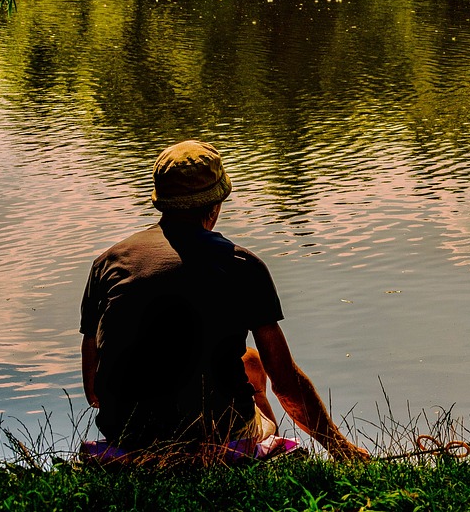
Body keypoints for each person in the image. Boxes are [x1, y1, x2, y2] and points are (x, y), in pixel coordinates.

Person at [80, 140, 368, 461]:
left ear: (161, 201)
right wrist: (342, 448)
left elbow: (94, 390)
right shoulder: (241, 265)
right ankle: (252, 454)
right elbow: (285, 384)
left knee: (248, 361)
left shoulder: (107, 263)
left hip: (127, 437)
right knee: (256, 365)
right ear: (216, 203)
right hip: (217, 434)